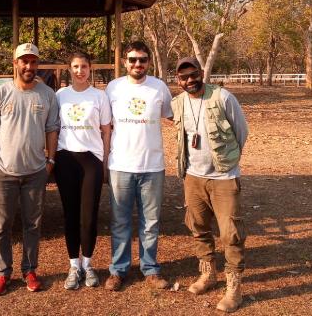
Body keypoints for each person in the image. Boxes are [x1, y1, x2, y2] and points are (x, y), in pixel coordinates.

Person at [171, 57, 249, 313]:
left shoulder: (222, 97)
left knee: (230, 234)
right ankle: (208, 273)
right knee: (198, 226)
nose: (190, 80)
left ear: (201, 73)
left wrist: (229, 161)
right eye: (184, 77)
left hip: (223, 177)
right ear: (178, 80)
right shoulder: (179, 102)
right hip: (192, 176)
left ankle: (234, 288)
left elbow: (241, 132)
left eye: (193, 75)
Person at [0, 42, 60, 296]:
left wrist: (50, 162)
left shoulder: (47, 94)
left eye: (33, 61)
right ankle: (3, 274)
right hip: (4, 172)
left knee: (32, 225)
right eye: (24, 61)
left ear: (37, 64)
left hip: (35, 172)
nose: (29, 66)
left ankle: (29, 270)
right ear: (15, 63)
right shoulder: (1, 93)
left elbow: (51, 130)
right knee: (1, 226)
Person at [104, 41, 173, 291]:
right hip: (120, 165)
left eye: (142, 60)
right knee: (120, 221)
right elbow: (104, 126)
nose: (137, 64)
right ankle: (118, 270)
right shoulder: (113, 88)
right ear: (125, 61)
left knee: (150, 222)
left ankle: (150, 269)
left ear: (148, 62)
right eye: (132, 59)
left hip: (152, 167)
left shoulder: (159, 88)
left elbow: (173, 116)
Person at [55, 51, 112, 290]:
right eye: (76, 67)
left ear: (91, 69)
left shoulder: (99, 96)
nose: (80, 71)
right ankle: (73, 266)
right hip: (65, 159)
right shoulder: (60, 95)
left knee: (88, 216)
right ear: (70, 69)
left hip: (91, 161)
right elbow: (53, 128)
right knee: (71, 215)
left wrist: (105, 161)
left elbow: (106, 130)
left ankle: (87, 264)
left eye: (84, 67)